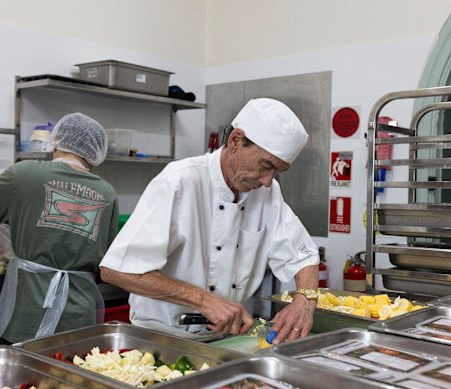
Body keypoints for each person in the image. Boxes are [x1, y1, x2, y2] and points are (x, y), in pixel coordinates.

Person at [100, 98, 319, 344]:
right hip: (160, 338)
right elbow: (117, 270)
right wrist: (204, 300)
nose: (268, 180)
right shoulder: (180, 181)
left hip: (225, 338)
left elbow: (303, 257)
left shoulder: (267, 193)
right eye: (266, 165)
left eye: (277, 171)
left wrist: (305, 300)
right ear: (235, 141)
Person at [0, 112, 119, 345]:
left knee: (25, 379)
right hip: (79, 316)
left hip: (29, 311)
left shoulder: (24, 174)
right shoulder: (108, 194)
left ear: (56, 141)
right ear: (95, 153)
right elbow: (106, 260)